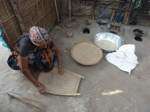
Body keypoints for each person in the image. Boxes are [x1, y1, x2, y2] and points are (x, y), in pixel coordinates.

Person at [8, 26, 63, 94]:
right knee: (31, 59)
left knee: (48, 65)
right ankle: (32, 71)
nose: (45, 46)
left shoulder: (45, 39)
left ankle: (34, 64)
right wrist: (38, 85)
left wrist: (60, 65)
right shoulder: (25, 45)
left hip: (34, 51)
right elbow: (24, 69)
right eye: (43, 45)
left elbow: (57, 50)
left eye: (45, 44)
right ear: (35, 43)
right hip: (17, 57)